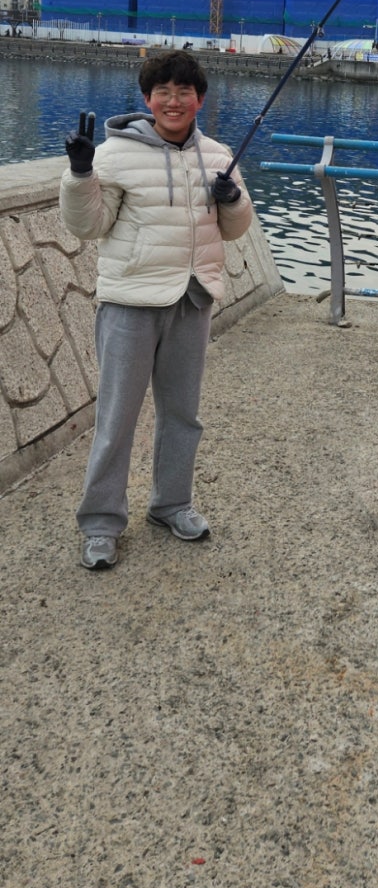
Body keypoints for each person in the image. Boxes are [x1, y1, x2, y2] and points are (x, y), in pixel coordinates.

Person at [59, 49, 254, 571]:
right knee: (117, 417)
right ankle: (100, 523)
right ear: (147, 99)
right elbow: (88, 226)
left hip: (192, 298)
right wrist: (80, 172)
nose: (173, 101)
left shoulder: (217, 155)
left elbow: (235, 229)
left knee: (182, 415)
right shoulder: (113, 154)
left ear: (199, 99)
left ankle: (171, 505)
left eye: (183, 92)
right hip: (130, 302)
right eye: (162, 92)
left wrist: (231, 198)